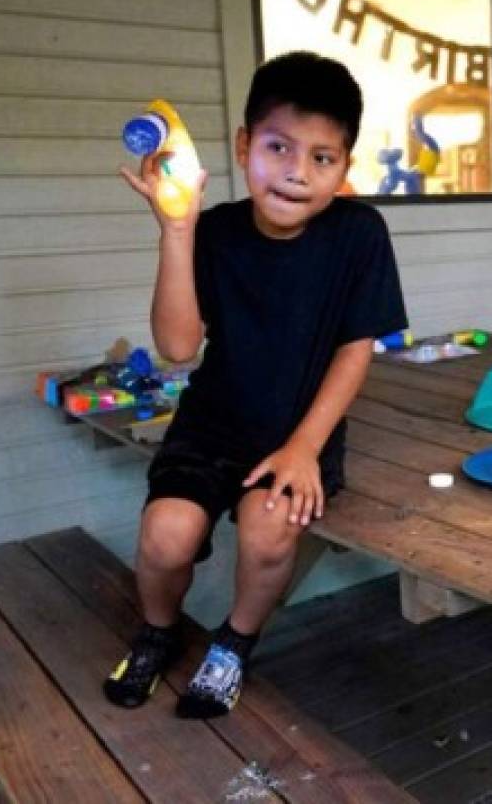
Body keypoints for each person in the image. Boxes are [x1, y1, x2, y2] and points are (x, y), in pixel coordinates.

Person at [104, 52, 407, 718]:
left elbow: (356, 350)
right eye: (278, 147)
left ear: (344, 168)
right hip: (211, 426)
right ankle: (157, 631)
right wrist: (176, 231)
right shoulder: (211, 232)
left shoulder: (358, 235)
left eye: (322, 158)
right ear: (244, 146)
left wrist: (305, 448)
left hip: (302, 432)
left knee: (271, 529)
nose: (297, 172)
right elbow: (179, 348)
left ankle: (235, 643)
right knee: (165, 534)